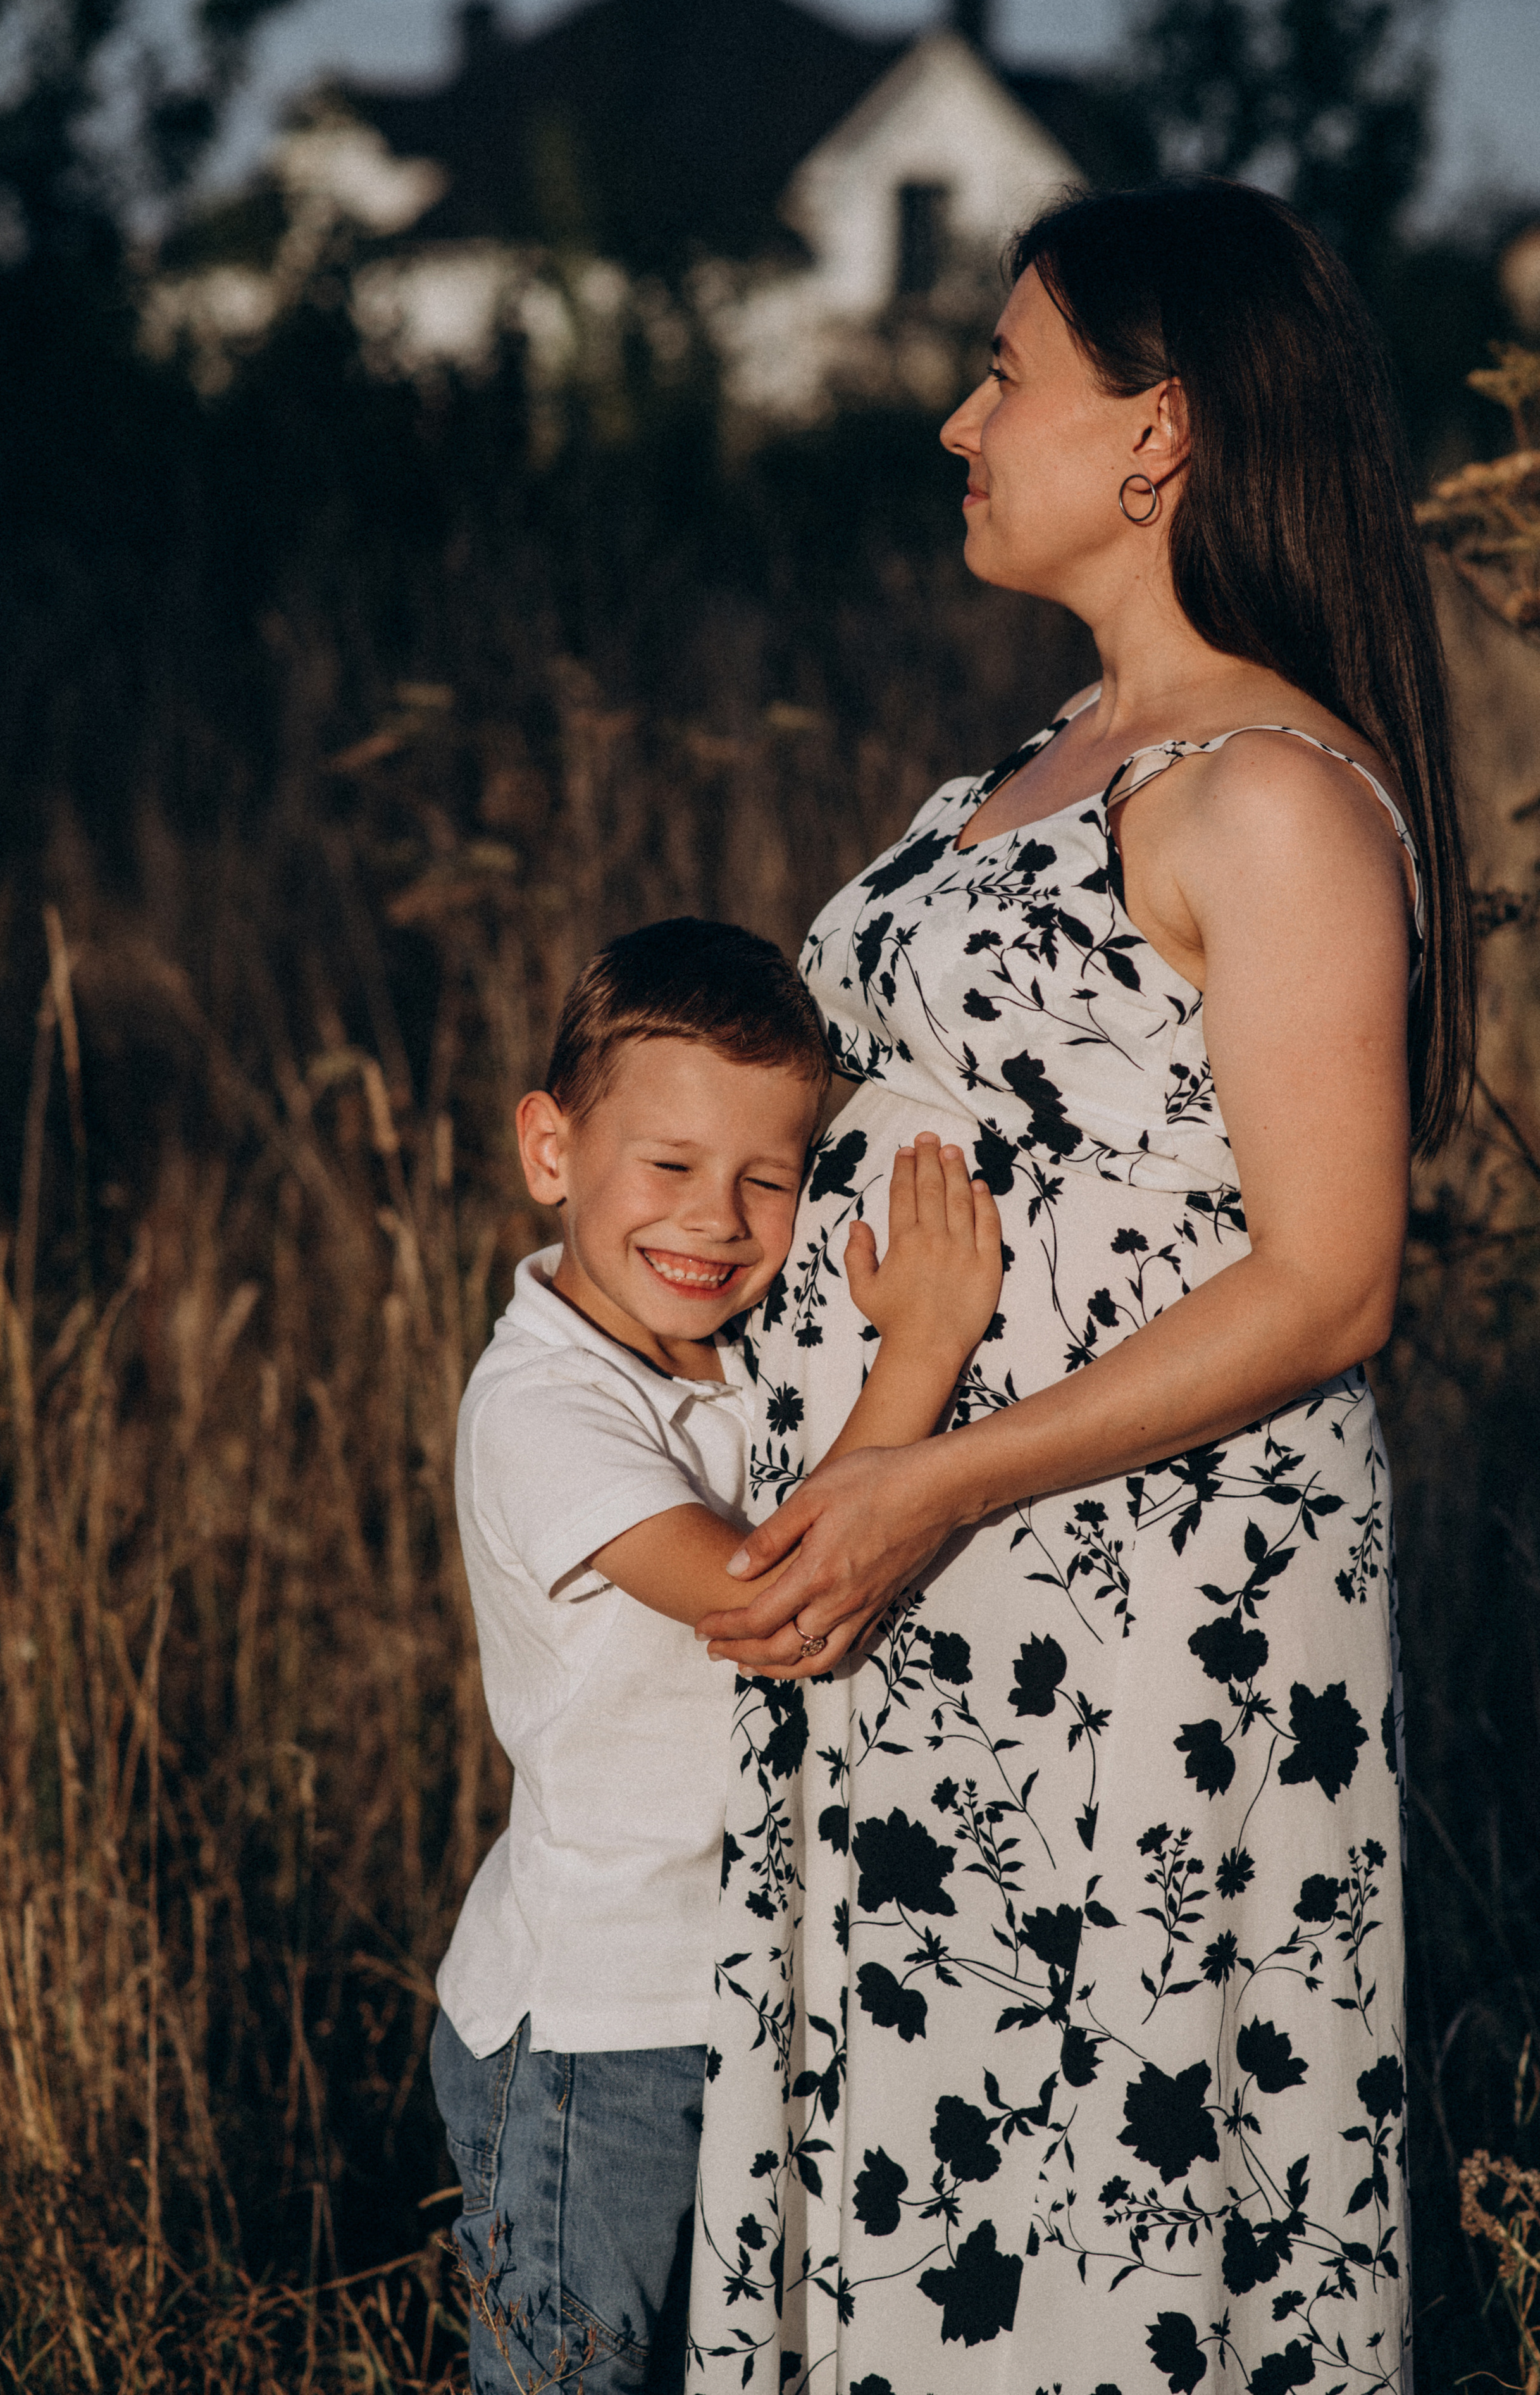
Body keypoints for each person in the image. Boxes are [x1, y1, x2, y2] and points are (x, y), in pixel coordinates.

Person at [683, 183, 1474, 2395]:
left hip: (1130, 1612)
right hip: (938, 1586)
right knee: (939, 2174)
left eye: (1003, 372)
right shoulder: (1040, 752)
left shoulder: (1274, 794)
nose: (958, 421)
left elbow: (1329, 1283)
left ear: (1161, 433)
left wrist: (935, 1477)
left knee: (1097, 2183)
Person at [428, 917, 1003, 2395]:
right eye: (669, 1165)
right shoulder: (542, 1406)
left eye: (766, 1178)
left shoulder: (742, 1358)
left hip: (740, 1991)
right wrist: (920, 1355)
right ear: (549, 1150)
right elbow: (776, 1606)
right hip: (596, 2030)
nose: (716, 1220)